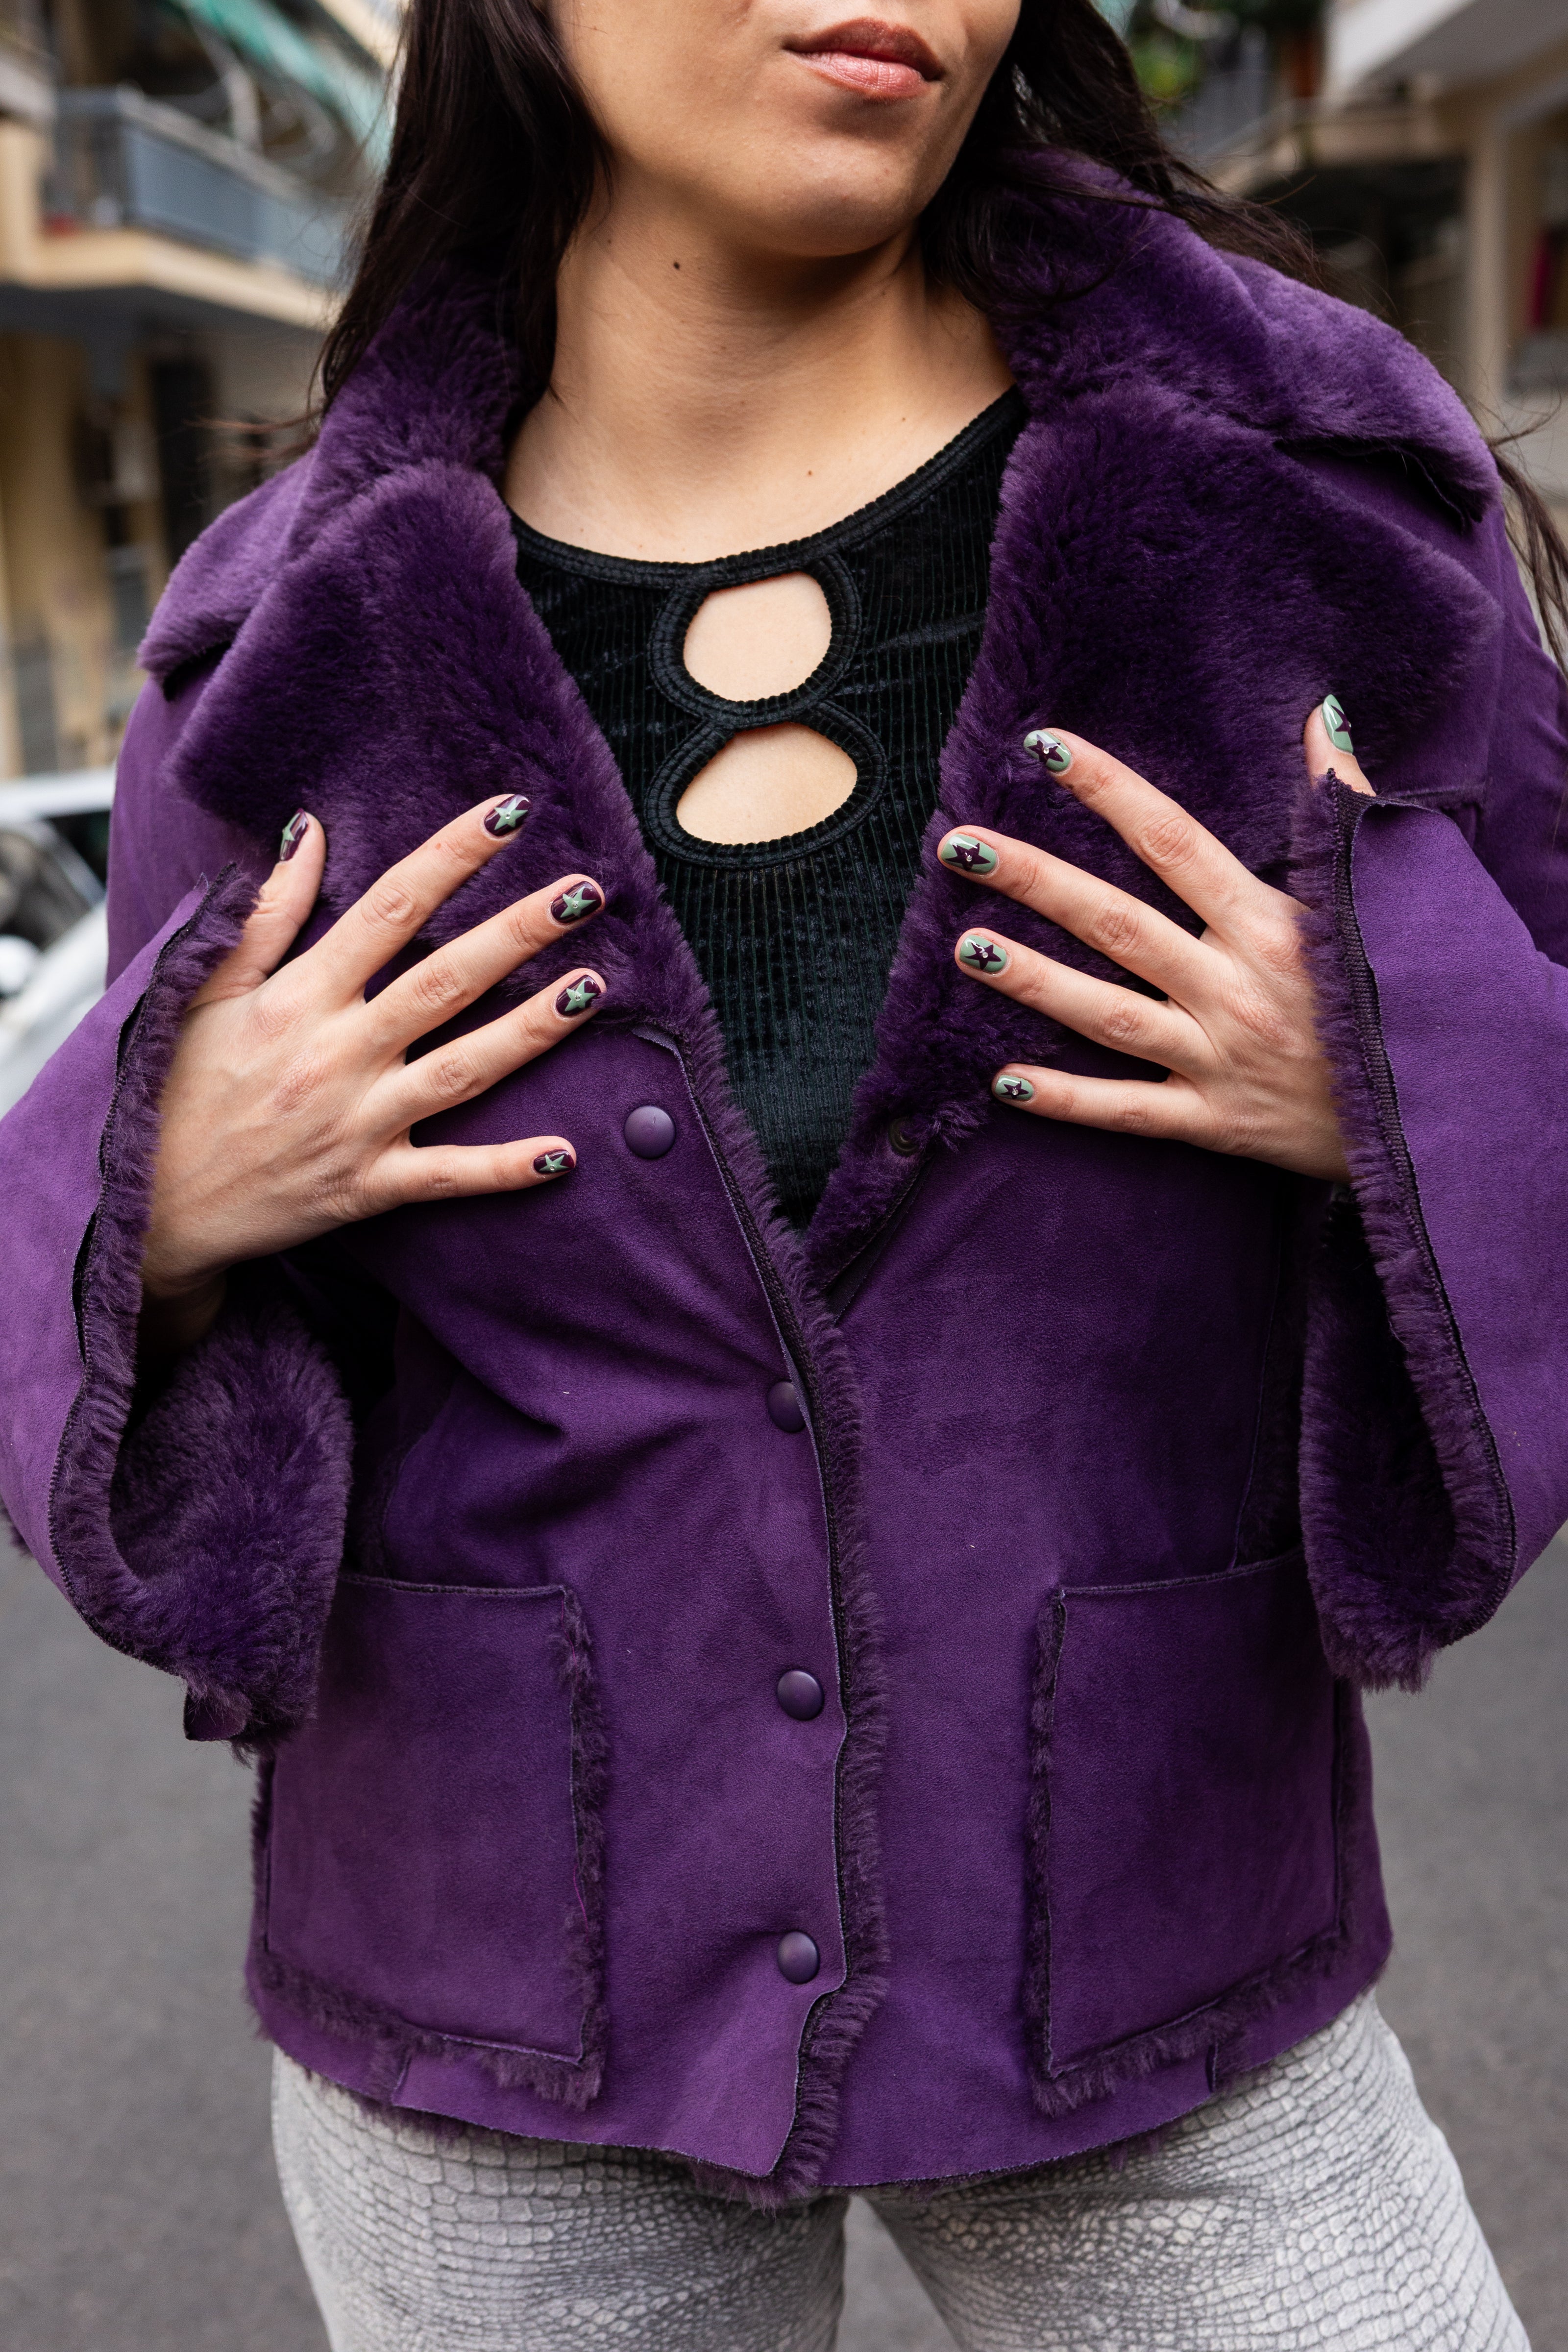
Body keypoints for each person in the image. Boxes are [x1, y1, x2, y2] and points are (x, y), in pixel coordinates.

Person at [1, 0, 1562, 2344]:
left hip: (1153, 1946)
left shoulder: (1313, 483)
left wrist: (1395, 1068)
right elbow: (119, 1330)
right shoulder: (268, 632)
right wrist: (168, 1208)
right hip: (493, 1983)